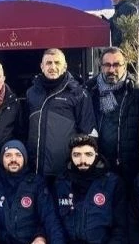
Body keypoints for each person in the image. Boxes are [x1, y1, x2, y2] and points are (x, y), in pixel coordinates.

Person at [46, 135, 131, 244]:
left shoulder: (113, 183)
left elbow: (122, 229)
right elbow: (53, 221)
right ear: (70, 156)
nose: (82, 160)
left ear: (97, 155)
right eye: (77, 155)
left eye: (88, 154)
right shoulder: (61, 182)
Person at [26, 48, 97, 179]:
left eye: (57, 63)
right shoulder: (31, 93)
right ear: (42, 67)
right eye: (48, 63)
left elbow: (88, 135)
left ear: (65, 67)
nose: (52, 67)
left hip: (66, 173)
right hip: (35, 171)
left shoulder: (78, 93)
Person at [86, 47, 139, 188]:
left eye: (116, 65)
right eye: (107, 65)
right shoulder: (89, 92)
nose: (112, 69)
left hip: (130, 168)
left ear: (124, 66)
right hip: (98, 165)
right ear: (100, 66)